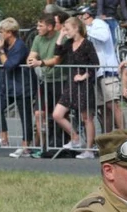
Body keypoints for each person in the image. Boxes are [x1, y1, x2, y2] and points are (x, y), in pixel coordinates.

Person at [52, 16, 100, 158]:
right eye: (64, 29)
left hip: (84, 84)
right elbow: (57, 52)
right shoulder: (69, 43)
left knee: (86, 117)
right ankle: (75, 138)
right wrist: (61, 35)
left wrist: (84, 75)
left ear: (76, 28)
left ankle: (89, 150)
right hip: (71, 84)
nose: (65, 31)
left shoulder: (87, 44)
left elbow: (95, 64)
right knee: (57, 114)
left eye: (68, 29)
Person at [0, 18, 34, 157]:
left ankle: (26, 146)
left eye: (2, 31)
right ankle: (3, 139)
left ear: (10, 32)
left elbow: (9, 66)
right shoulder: (4, 44)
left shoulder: (19, 46)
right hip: (6, 86)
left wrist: (1, 51)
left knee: (25, 115)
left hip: (21, 85)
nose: (0, 34)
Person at [80, 7, 125, 135]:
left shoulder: (99, 24)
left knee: (113, 105)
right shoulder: (88, 29)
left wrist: (86, 30)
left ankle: (123, 136)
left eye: (80, 16)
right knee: (103, 108)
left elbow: (104, 37)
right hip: (97, 72)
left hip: (107, 70)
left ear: (86, 15)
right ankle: (107, 137)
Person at [27, 14, 67, 154]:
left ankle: (63, 143)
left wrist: (41, 62)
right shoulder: (38, 38)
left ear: (50, 27)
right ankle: (44, 146)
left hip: (61, 81)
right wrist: (32, 60)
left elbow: (57, 60)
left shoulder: (60, 38)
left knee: (59, 115)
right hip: (45, 81)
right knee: (38, 114)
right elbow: (31, 55)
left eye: (40, 26)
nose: (37, 28)